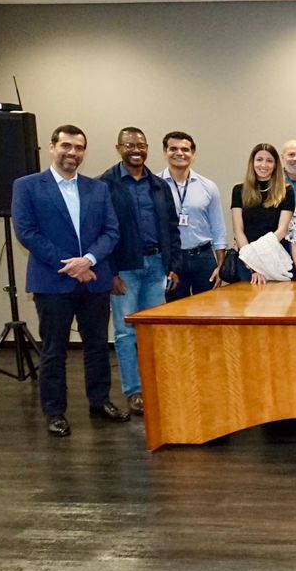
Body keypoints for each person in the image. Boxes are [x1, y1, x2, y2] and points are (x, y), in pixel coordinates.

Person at [11, 125, 125, 437]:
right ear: (52, 148)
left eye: (78, 148)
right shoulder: (27, 186)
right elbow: (27, 232)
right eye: (66, 146)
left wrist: (88, 261)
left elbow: (111, 231)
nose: (72, 153)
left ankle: (99, 401)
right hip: (52, 282)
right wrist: (71, 265)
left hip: (94, 280)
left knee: (98, 346)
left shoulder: (97, 188)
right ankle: (54, 411)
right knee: (54, 349)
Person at [97, 127, 182, 417]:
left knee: (154, 332)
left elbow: (171, 228)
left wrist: (173, 265)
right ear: (118, 147)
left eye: (141, 145)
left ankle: (156, 386)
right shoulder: (105, 184)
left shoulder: (159, 185)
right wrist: (110, 273)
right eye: (129, 144)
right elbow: (100, 233)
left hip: (157, 264)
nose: (136, 149)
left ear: (147, 148)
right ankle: (134, 392)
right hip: (125, 269)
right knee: (125, 334)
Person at [160, 130, 226, 300]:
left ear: (193, 154)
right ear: (165, 152)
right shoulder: (155, 185)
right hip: (172, 259)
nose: (179, 153)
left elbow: (218, 229)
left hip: (203, 258)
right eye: (173, 149)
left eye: (185, 149)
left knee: (207, 312)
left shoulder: (208, 186)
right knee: (173, 313)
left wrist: (221, 265)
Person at [229, 142, 295, 284]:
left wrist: (260, 257)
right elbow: (238, 230)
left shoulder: (286, 191)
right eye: (259, 159)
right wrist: (252, 263)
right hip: (246, 259)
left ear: (276, 165)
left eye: (269, 160)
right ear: (252, 162)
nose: (264, 165)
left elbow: (283, 230)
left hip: (276, 257)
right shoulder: (238, 190)